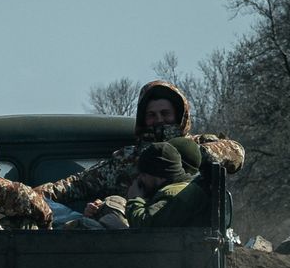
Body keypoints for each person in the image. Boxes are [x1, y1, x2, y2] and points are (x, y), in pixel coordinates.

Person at [36, 80, 244, 209]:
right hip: (140, 242)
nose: (159, 120)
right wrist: (31, 197)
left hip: (192, 238)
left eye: (165, 113)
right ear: (143, 119)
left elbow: (236, 153)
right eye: (152, 115)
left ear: (179, 115)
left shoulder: (197, 145)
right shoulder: (127, 159)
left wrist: (197, 154)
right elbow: (76, 185)